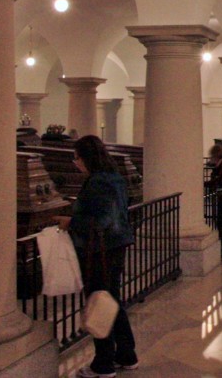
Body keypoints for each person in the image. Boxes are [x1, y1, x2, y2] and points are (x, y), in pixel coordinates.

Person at [54, 135, 137, 378]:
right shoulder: (114, 178)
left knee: (99, 302)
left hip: (100, 250)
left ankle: (103, 364)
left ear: (87, 157)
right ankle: (126, 354)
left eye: (77, 157)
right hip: (114, 246)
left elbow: (101, 219)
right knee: (111, 300)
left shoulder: (98, 182)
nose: (75, 162)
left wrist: (71, 221)